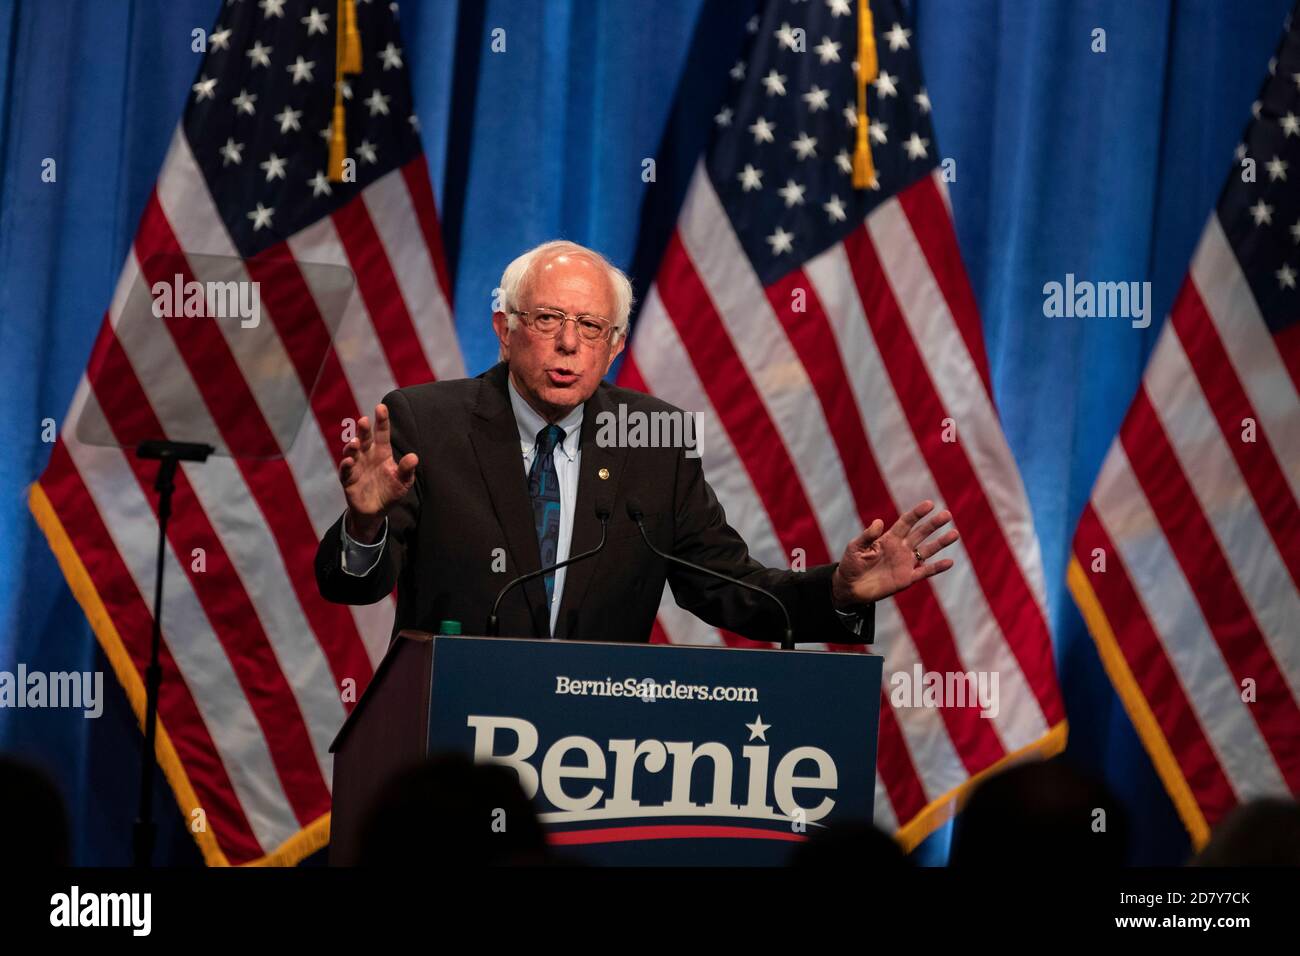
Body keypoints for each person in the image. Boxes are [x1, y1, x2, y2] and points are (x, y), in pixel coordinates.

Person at [315, 240, 958, 644]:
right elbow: (354, 588)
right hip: (451, 746)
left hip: (595, 754)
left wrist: (837, 594)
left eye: (591, 326)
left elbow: (728, 587)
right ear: (504, 329)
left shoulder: (653, 442)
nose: (569, 343)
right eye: (547, 320)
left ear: (616, 345)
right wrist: (365, 526)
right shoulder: (426, 422)